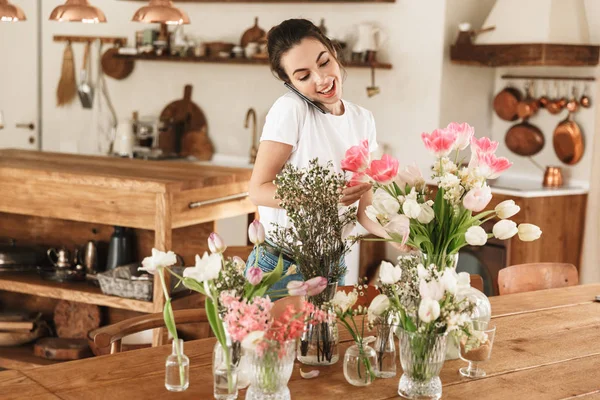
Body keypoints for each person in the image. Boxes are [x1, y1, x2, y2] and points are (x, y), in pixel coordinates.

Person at [247, 18, 388, 292]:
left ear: (334, 52)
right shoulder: (291, 110)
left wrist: (397, 234)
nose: (322, 79)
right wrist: (321, 196)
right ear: (289, 82)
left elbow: (365, 212)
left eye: (324, 62)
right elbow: (258, 190)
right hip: (281, 267)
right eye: (303, 76)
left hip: (334, 265)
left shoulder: (362, 119)